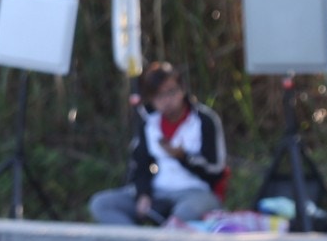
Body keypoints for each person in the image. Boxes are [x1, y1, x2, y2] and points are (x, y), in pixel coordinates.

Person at [88, 62, 228, 226]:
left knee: (182, 215)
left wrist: (184, 157)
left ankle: (164, 238)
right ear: (151, 98)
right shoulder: (149, 123)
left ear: (182, 89)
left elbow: (217, 169)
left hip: (196, 192)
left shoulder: (204, 120)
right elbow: (140, 165)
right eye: (159, 95)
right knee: (101, 204)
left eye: (171, 92)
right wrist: (143, 194)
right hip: (158, 191)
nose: (167, 100)